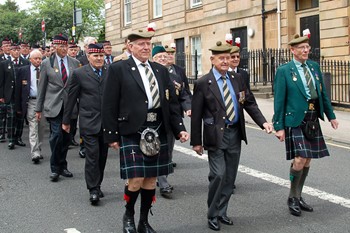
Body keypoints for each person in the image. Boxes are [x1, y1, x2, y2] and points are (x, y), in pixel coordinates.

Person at [102, 29, 189, 233]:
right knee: (136, 179)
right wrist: (111, 134)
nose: (146, 47)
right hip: (133, 129)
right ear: (129, 46)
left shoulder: (160, 70)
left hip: (157, 127)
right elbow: (108, 104)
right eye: (141, 44)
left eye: (148, 43)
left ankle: (144, 221)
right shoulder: (118, 69)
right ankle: (129, 215)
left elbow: (172, 103)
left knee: (151, 179)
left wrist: (180, 129)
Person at [191, 41, 273, 231]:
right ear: (212, 60)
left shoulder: (237, 78)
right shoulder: (203, 83)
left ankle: (222, 211)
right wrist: (197, 142)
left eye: (228, 58)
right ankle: (212, 214)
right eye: (221, 58)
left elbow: (249, 103)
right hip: (215, 135)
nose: (226, 61)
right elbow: (196, 115)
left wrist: (264, 122)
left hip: (235, 133)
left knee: (229, 177)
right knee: (218, 174)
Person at [273, 34, 339, 217]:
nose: (305, 50)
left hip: (312, 117)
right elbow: (279, 100)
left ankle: (299, 196)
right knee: (300, 158)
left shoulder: (314, 67)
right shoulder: (284, 70)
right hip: (295, 118)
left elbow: (323, 94)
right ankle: (292, 197)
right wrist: (278, 125)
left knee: (308, 159)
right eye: (301, 47)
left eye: (307, 47)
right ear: (292, 50)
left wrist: (331, 115)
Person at [62, 43, 108, 205]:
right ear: (88, 57)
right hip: (89, 122)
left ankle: (98, 183)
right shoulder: (79, 74)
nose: (99, 58)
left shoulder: (111, 71)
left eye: (101, 55)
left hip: (107, 124)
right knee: (92, 156)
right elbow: (71, 98)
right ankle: (93, 189)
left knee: (102, 156)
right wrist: (66, 121)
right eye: (95, 56)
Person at [35, 34, 80, 182]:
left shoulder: (75, 62)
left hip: (70, 107)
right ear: (54, 47)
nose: (64, 49)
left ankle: (63, 165)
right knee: (56, 136)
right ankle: (55, 168)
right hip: (53, 105)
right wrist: (38, 109)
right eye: (61, 46)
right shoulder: (47, 63)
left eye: (66, 46)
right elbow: (41, 88)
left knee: (66, 138)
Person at [152, 45, 192, 198]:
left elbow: (184, 93)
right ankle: (159, 180)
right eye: (159, 57)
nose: (163, 59)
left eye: (165, 56)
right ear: (153, 59)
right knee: (154, 150)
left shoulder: (176, 74)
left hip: (170, 119)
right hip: (153, 120)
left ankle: (162, 179)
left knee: (167, 150)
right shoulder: (149, 73)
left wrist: (188, 107)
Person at [15, 49, 45, 163]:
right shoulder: (23, 70)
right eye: (36, 58)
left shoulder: (45, 69)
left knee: (41, 127)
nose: (38, 61)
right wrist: (18, 106)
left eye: (40, 58)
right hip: (31, 102)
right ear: (30, 59)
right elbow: (18, 89)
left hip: (42, 102)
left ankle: (39, 147)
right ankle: (35, 152)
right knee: (33, 126)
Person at [0, 42, 30, 150]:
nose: (16, 52)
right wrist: (1, 95)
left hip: (22, 94)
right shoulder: (4, 64)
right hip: (10, 94)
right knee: (11, 117)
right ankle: (11, 139)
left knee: (20, 117)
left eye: (18, 50)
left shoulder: (25, 62)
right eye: (14, 50)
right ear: (10, 51)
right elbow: (1, 81)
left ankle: (18, 137)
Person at [0, 38, 12, 142]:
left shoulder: (13, 59)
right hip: (3, 90)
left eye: (9, 46)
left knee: (10, 114)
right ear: (2, 48)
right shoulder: (1, 59)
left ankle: (9, 134)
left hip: (11, 90)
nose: (8, 48)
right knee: (2, 113)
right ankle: (1, 132)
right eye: (6, 46)